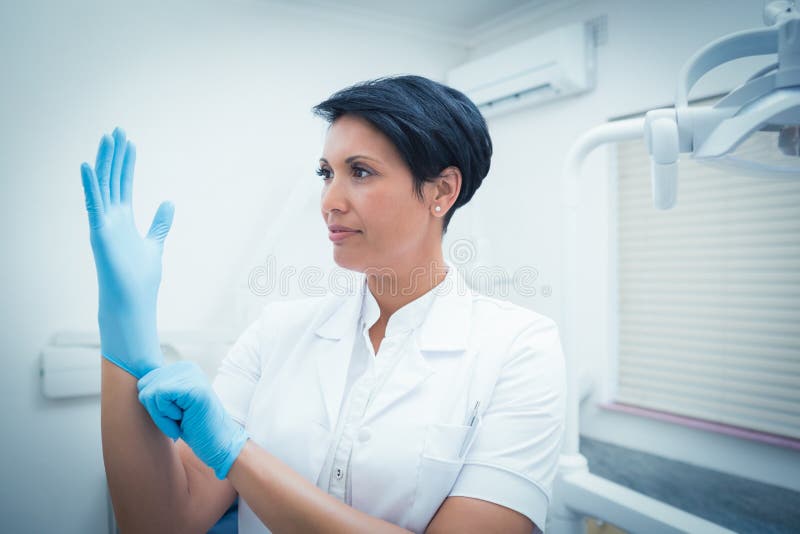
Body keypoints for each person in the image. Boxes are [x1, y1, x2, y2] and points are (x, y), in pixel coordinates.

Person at [82, 74, 566, 534]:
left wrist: (236, 452)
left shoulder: (519, 348)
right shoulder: (277, 331)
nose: (329, 201)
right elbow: (162, 521)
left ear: (442, 190)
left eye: (359, 172)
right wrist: (126, 320)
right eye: (325, 173)